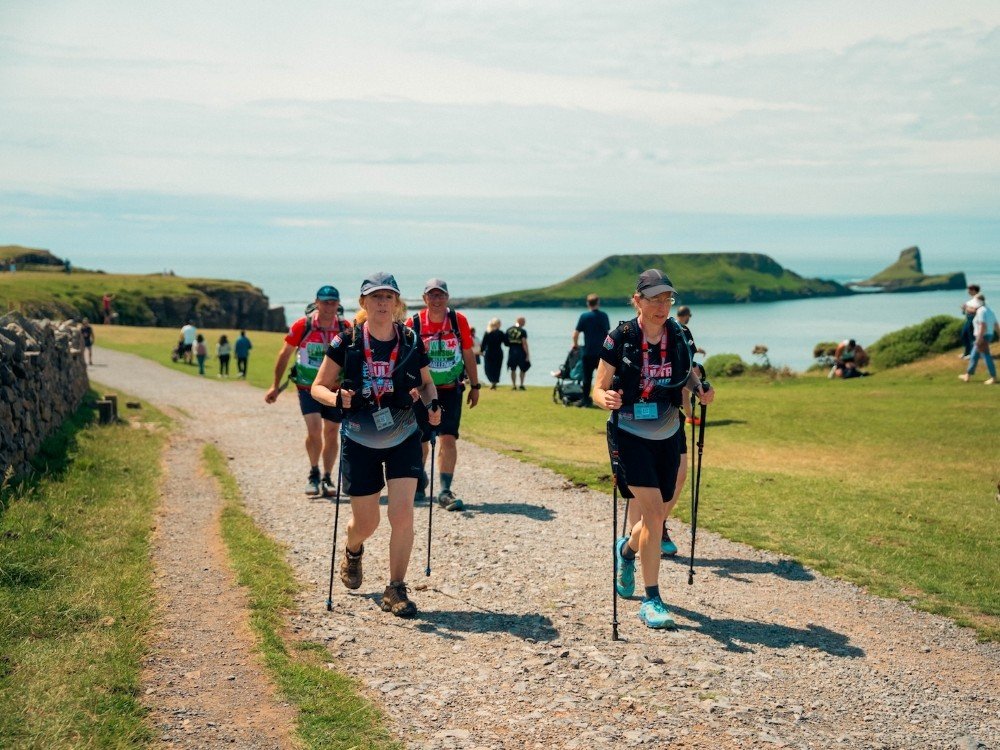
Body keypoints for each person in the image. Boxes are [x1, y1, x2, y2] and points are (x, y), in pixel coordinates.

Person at [310, 272, 440, 618]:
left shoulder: (411, 340)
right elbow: (317, 387)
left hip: (403, 434)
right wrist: (337, 398)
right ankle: (353, 550)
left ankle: (396, 587)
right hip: (359, 438)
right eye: (375, 297)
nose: (382, 303)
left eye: (388, 297)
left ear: (396, 303)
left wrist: (433, 405)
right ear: (364, 303)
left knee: (402, 513)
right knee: (366, 523)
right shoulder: (348, 341)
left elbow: (428, 385)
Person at [594, 269, 714, 630]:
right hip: (629, 432)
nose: (662, 306)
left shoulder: (679, 334)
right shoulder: (621, 337)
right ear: (638, 301)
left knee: (658, 515)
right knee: (653, 514)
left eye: (667, 298)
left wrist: (700, 389)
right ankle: (652, 599)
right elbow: (597, 387)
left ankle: (626, 550)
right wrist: (606, 398)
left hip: (669, 430)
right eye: (654, 298)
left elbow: (688, 374)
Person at [264, 285, 351, 497]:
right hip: (307, 387)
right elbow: (284, 354)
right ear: (317, 302)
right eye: (325, 301)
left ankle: (327, 477)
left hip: (334, 390)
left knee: (331, 433)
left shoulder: (344, 326)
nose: (329, 306)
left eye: (333, 302)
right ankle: (313, 472)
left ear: (338, 304)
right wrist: (275, 386)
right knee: (313, 430)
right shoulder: (303, 325)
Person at [406, 278, 481, 511]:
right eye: (432, 295)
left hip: (451, 389)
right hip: (421, 392)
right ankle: (419, 481)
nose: (436, 300)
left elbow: (468, 353)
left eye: (440, 295)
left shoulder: (458, 321)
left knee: (448, 437)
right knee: (421, 439)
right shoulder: (414, 323)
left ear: (447, 298)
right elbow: (406, 358)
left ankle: (445, 490)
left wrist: (476, 386)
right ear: (424, 298)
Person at [572, 294, 611, 408]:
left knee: (587, 378)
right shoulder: (604, 315)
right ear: (598, 303)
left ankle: (585, 400)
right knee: (604, 379)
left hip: (588, 352)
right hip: (602, 353)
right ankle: (606, 400)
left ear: (588, 303)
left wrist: (575, 346)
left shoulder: (584, 316)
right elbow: (607, 334)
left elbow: (575, 334)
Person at [674, 306, 707, 424]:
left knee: (684, 393)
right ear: (686, 315)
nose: (689, 318)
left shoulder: (672, 326)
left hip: (678, 368)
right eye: (689, 316)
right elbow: (684, 351)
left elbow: (685, 348)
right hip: (683, 369)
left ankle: (689, 416)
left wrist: (698, 350)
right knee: (685, 392)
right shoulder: (682, 329)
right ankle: (689, 417)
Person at [959, 293, 997, 385]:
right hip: (987, 335)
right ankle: (968, 375)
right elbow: (996, 325)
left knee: (986, 356)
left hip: (982, 336)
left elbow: (982, 325)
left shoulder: (981, 311)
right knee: (974, 356)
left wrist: (979, 339)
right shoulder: (989, 310)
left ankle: (993, 377)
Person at [506, 316, 531, 390]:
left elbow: (506, 342)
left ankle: (514, 385)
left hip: (512, 351)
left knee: (512, 368)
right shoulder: (522, 331)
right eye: (524, 321)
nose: (525, 323)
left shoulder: (509, 330)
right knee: (523, 368)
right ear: (520, 321)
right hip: (520, 351)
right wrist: (527, 354)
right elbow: (524, 343)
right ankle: (521, 384)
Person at [480, 318, 506, 389]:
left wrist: (481, 351)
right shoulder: (500, 333)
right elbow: (506, 343)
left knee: (488, 368)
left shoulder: (487, 332)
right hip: (498, 352)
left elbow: (483, 344)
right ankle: (494, 382)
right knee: (497, 368)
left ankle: (493, 382)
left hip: (489, 352)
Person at [960, 284, 983, 358]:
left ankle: (972, 354)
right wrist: (964, 309)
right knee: (964, 335)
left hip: (974, 319)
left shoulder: (979, 298)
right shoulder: (972, 300)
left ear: (973, 290)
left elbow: (976, 310)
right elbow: (968, 310)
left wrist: (966, 307)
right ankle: (967, 353)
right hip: (968, 319)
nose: (968, 291)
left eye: (969, 290)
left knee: (971, 337)